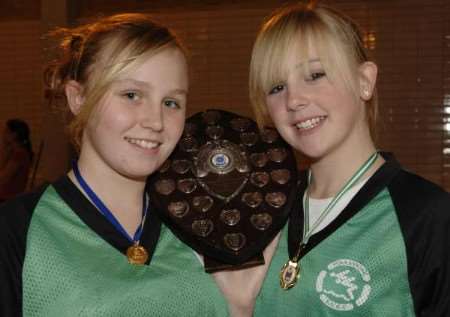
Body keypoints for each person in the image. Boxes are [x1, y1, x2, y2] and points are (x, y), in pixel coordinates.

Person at [0, 13, 229, 316]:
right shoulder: (16, 231)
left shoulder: (202, 221)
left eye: (171, 102)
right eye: (132, 95)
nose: (156, 121)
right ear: (78, 98)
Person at [248, 2, 450, 316]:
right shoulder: (261, 209)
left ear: (364, 81)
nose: (294, 100)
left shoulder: (427, 214)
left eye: (315, 75)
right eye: (276, 87)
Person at [0, 119, 33, 202]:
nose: (3, 134)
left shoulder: (19, 154)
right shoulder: (13, 152)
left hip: (8, 200)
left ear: (14, 135)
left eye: (6, 131)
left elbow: (3, 178)